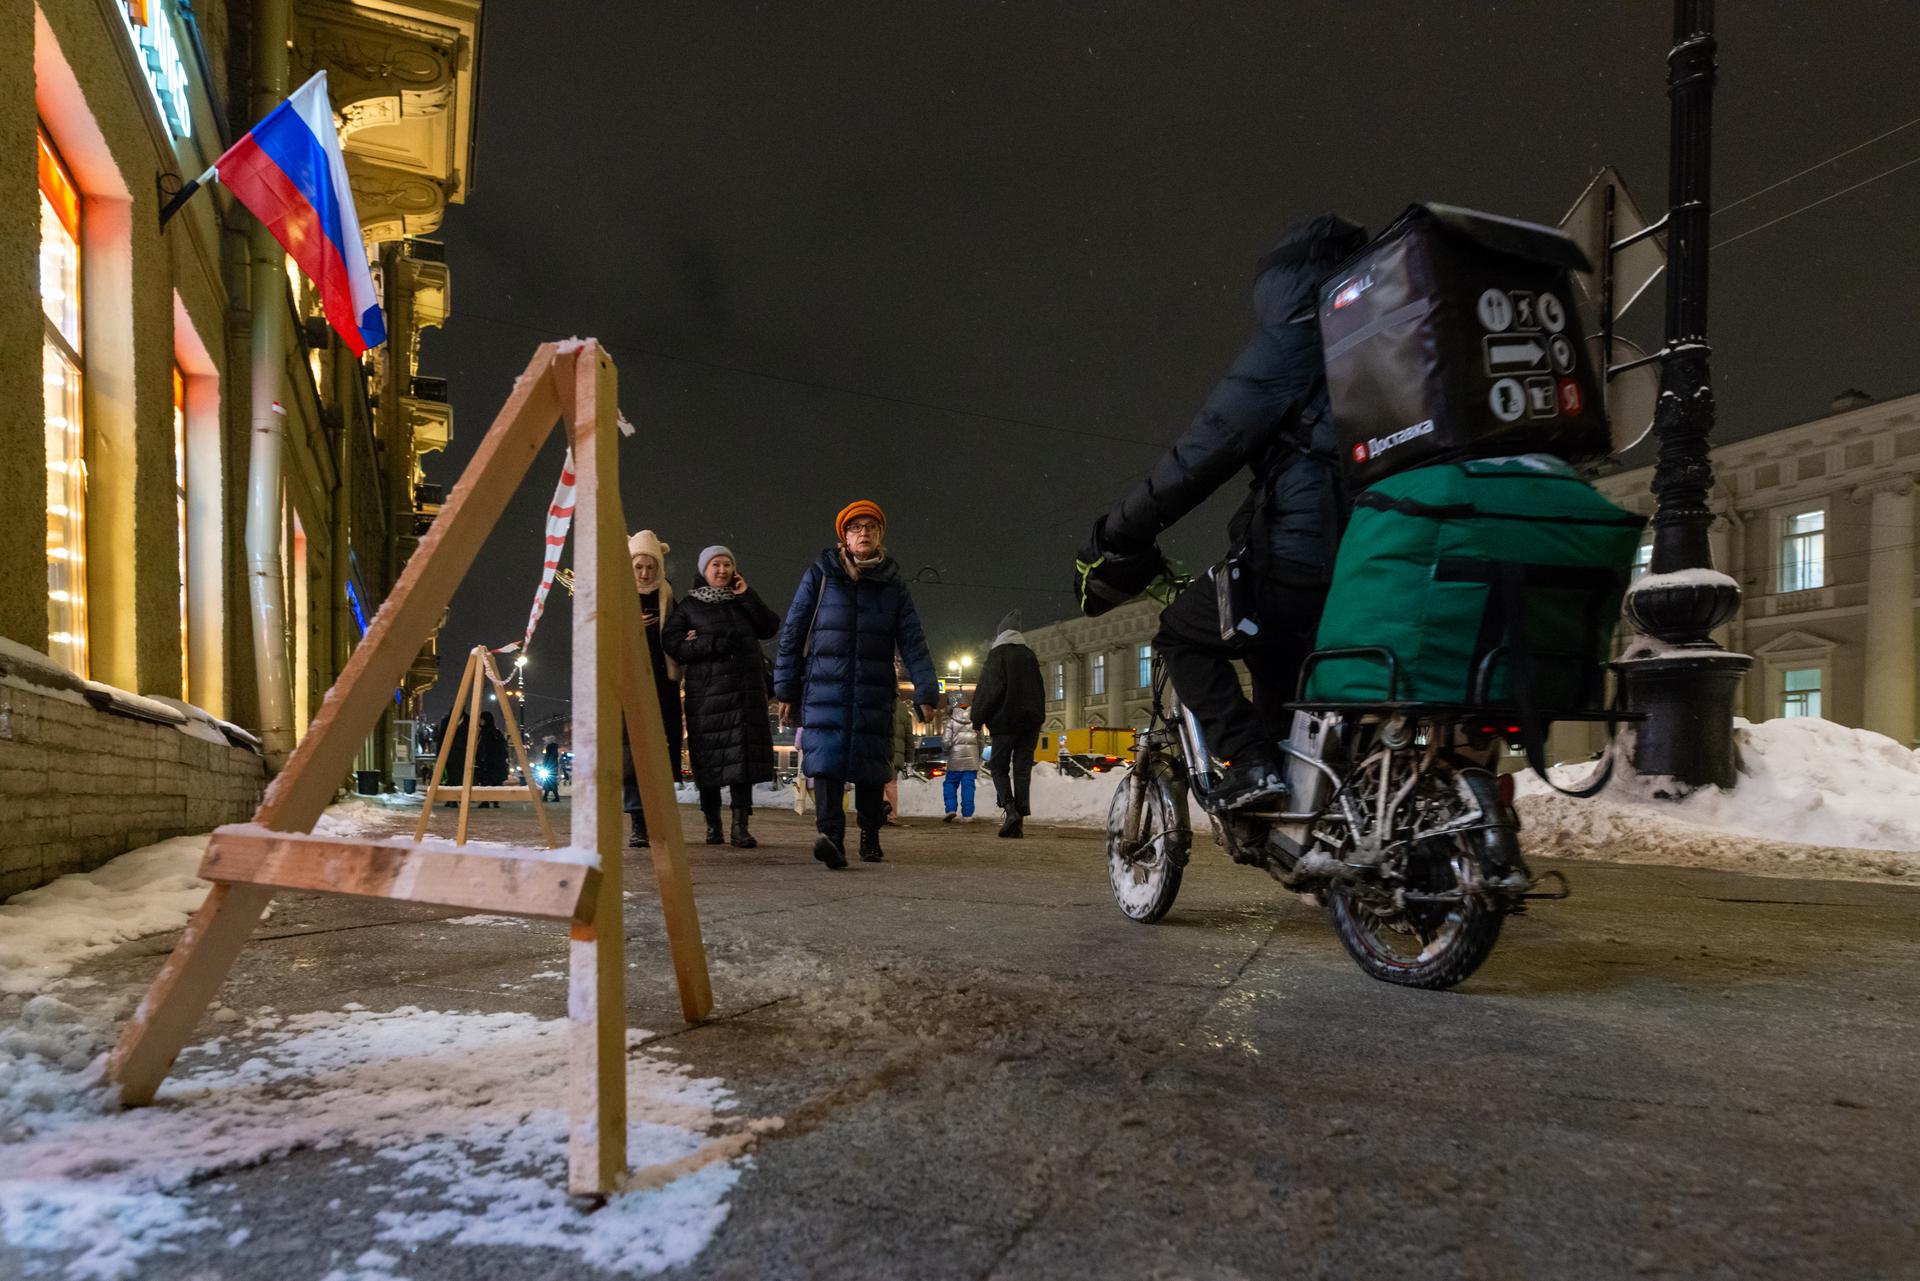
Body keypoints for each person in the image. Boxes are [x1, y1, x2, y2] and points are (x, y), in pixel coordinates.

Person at [1077, 213, 1366, 812]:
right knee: (1290, 668)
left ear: (1286, 289)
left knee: (1185, 632)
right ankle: (1317, 812)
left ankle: (1250, 763)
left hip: (1305, 555)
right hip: (1388, 555)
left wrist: (1114, 535)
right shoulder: (1394, 339)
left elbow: (1201, 454)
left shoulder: (1296, 341)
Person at [773, 500, 938, 870]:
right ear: (844, 537)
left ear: (880, 536)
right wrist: (785, 687)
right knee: (826, 763)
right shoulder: (821, 574)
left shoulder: (893, 583)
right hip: (824, 685)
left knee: (869, 765)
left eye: (871, 527)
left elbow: (913, 639)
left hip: (873, 686)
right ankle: (832, 839)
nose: (863, 532)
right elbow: (793, 631)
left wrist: (927, 688)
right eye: (856, 527)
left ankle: (870, 834)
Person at [664, 546, 781, 848]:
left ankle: (740, 828)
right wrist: (710, 644)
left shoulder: (742, 600)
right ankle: (713, 824)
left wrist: (747, 595)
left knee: (741, 761)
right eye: (715, 564)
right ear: (704, 570)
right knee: (709, 762)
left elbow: (769, 626)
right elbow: (673, 643)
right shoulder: (689, 607)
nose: (722, 570)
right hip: (708, 696)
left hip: (745, 693)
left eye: (727, 564)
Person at [622, 529, 683, 848]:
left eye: (650, 567)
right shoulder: (617, 597)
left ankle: (659, 820)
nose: (645, 573)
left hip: (662, 687)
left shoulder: (669, 596)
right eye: (638, 567)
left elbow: (682, 635)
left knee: (658, 755)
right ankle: (637, 823)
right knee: (633, 755)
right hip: (628, 688)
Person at [970, 609, 1045, 837]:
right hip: (1030, 723)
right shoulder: (1029, 655)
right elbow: (1040, 689)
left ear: (1000, 633)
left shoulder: (998, 655)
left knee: (999, 767)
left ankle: (1010, 809)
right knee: (1022, 770)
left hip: (1004, 723)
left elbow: (989, 690)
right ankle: (1019, 820)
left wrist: (977, 718)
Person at [941, 696, 981, 823]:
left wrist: (947, 752)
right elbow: (981, 741)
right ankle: (968, 815)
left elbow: (946, 741)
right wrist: (977, 755)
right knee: (968, 786)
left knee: (950, 784)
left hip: (955, 759)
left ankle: (951, 809)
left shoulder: (951, 721)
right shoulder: (976, 720)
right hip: (971, 761)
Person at [883, 696, 913, 825]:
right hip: (896, 753)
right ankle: (892, 815)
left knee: (876, 783)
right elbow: (908, 734)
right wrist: (910, 758)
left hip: (879, 749)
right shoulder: (902, 707)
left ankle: (883, 807)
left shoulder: (875, 701)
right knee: (891, 784)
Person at [473, 709, 510, 807]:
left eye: (481, 720)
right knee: (493, 782)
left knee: (487, 782)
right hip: (492, 763)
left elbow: (485, 747)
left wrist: (482, 758)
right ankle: (494, 801)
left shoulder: (488, 733)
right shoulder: (494, 732)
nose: (480, 722)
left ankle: (486, 801)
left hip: (489, 763)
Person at [540, 737, 561, 802]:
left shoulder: (551, 748)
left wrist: (547, 766)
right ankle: (546, 797)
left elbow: (550, 758)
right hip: (551, 767)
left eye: (546, 741)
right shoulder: (552, 748)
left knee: (550, 782)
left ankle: (547, 797)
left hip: (550, 768)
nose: (545, 742)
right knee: (549, 782)